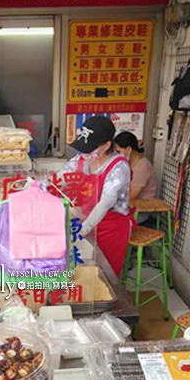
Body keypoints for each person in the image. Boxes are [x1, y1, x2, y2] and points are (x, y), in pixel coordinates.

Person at [62, 116, 134, 276]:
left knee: (104, 275)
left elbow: (105, 203)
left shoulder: (119, 168)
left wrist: (83, 230)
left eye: (91, 148)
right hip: (84, 220)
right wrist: (41, 187)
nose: (85, 152)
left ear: (107, 145)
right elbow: (63, 177)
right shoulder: (82, 159)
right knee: (80, 272)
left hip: (110, 228)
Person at [115, 131, 159, 204]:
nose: (116, 155)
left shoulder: (142, 166)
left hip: (142, 207)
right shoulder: (128, 163)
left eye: (118, 151)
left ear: (128, 149)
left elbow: (131, 196)